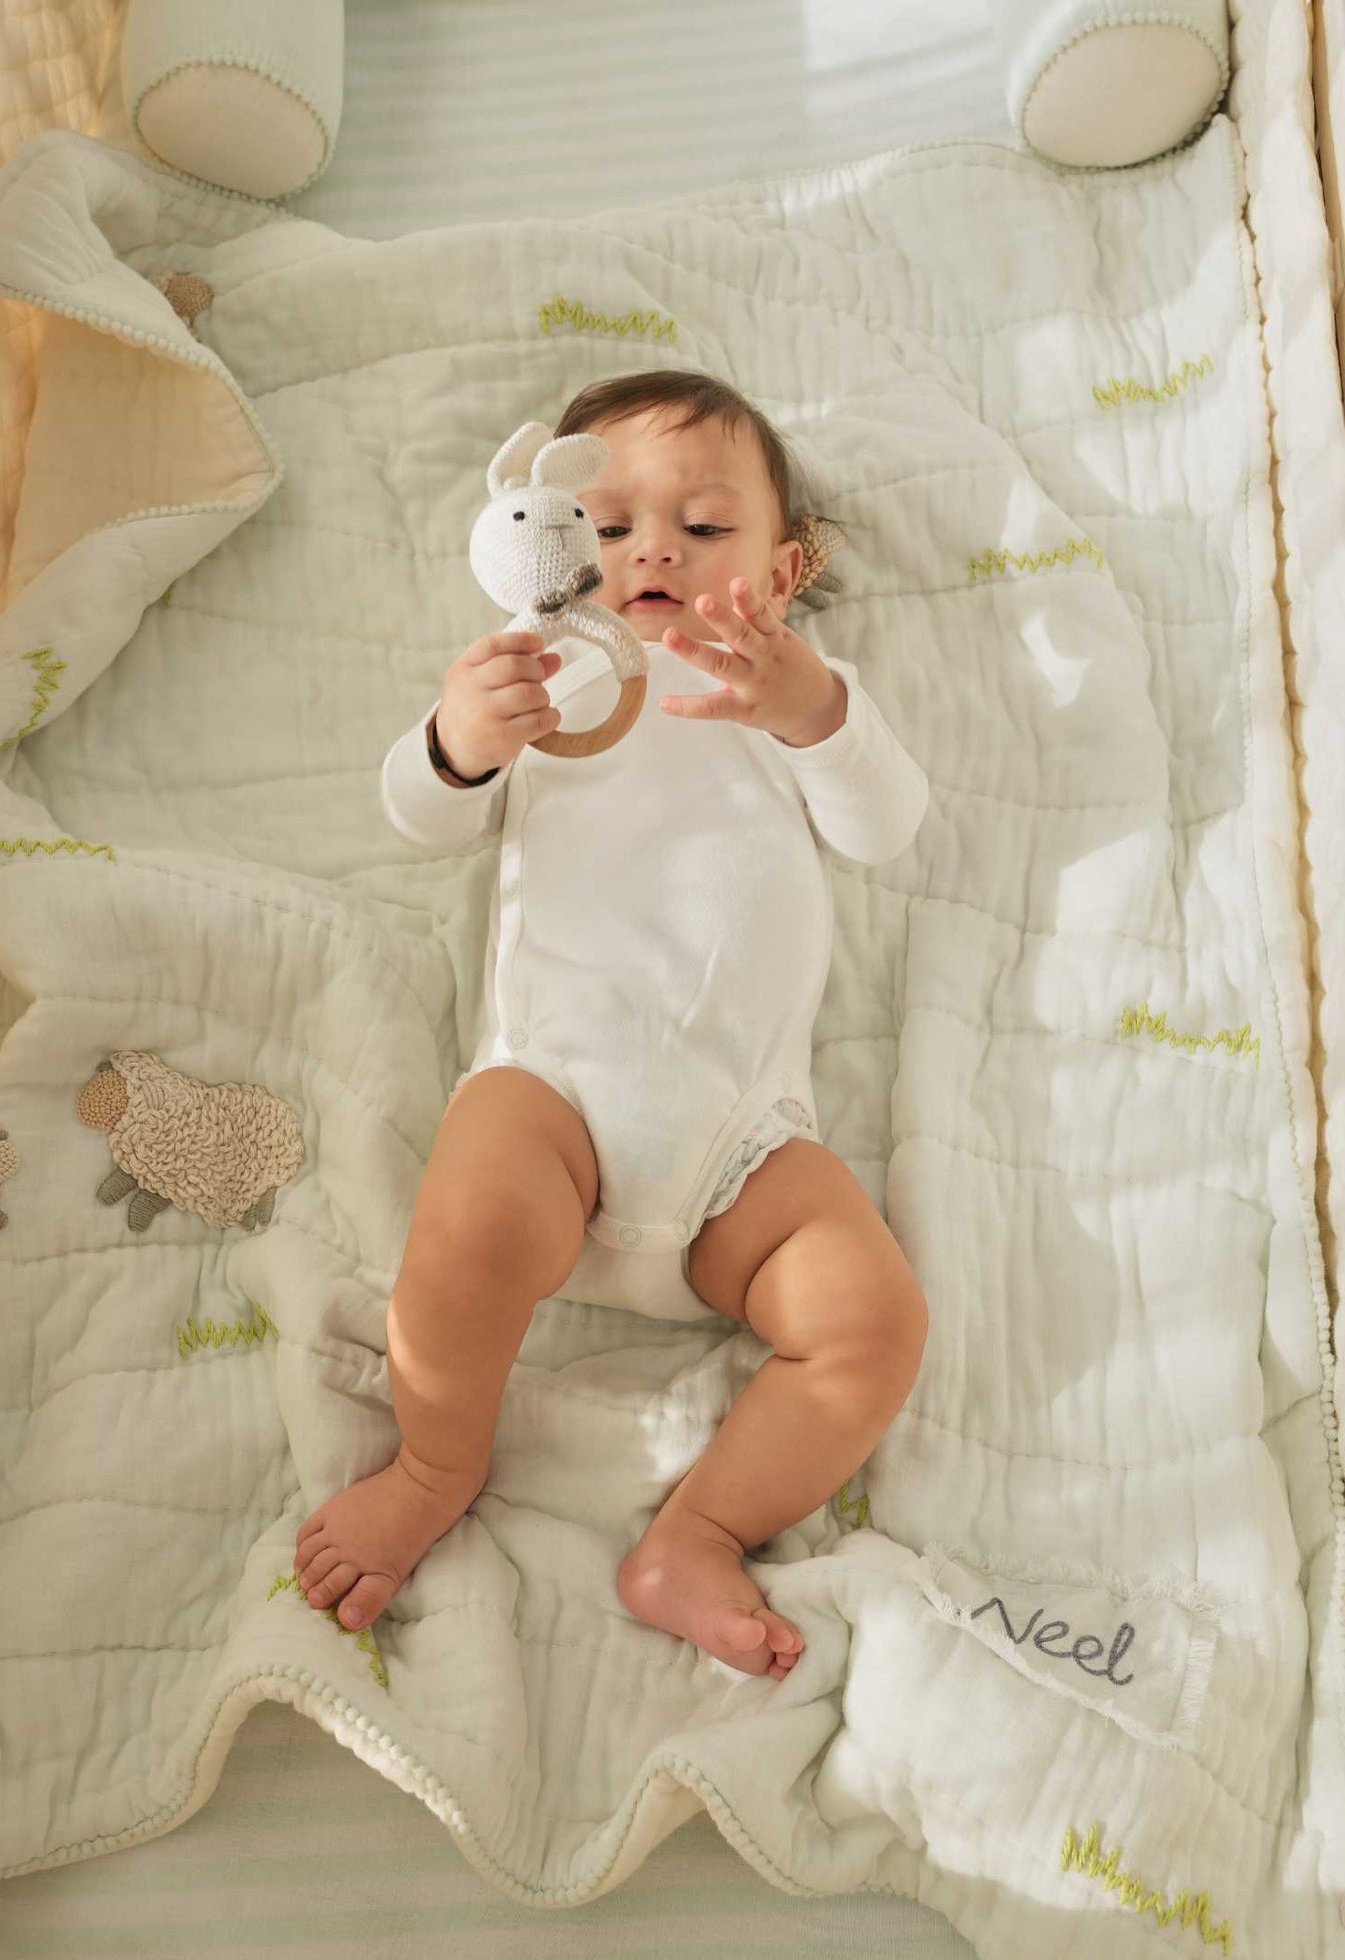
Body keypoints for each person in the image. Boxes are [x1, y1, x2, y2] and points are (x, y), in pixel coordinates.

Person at [294, 369, 930, 1682]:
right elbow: (421, 817)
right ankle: (433, 1468)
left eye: (705, 527)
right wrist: (458, 740)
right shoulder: (547, 674)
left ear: (783, 570)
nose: (655, 551)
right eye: (611, 523)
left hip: (743, 1150)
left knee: (873, 1318)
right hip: (557, 1101)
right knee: (464, 1230)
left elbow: (885, 827)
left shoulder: (796, 694)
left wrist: (811, 709)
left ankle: (695, 1537)